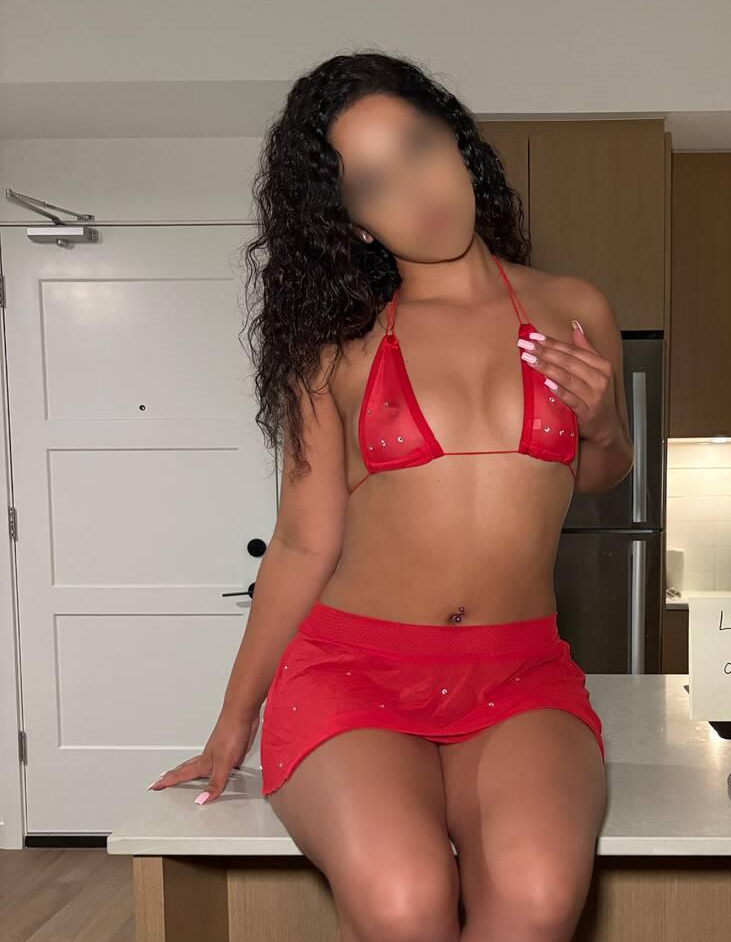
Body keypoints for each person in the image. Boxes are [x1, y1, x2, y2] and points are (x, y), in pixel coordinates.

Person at [150, 49, 635, 942]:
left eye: (418, 146)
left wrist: (602, 422)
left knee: (536, 895)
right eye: (374, 184)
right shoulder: (340, 349)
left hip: (519, 673)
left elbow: (601, 471)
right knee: (406, 899)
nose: (417, 191)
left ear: (458, 141)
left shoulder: (574, 309)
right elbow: (304, 543)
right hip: (354, 674)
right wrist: (233, 721)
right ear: (356, 223)